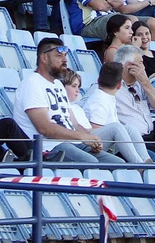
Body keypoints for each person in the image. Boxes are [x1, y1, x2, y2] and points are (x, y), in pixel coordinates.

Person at [13, 36, 106, 164]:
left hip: (72, 142)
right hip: (48, 147)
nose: (65, 59)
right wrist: (82, 136)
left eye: (65, 55)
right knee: (92, 163)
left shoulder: (58, 84)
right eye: (59, 55)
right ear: (44, 58)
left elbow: (74, 123)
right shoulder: (32, 83)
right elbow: (45, 128)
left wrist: (90, 138)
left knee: (118, 164)